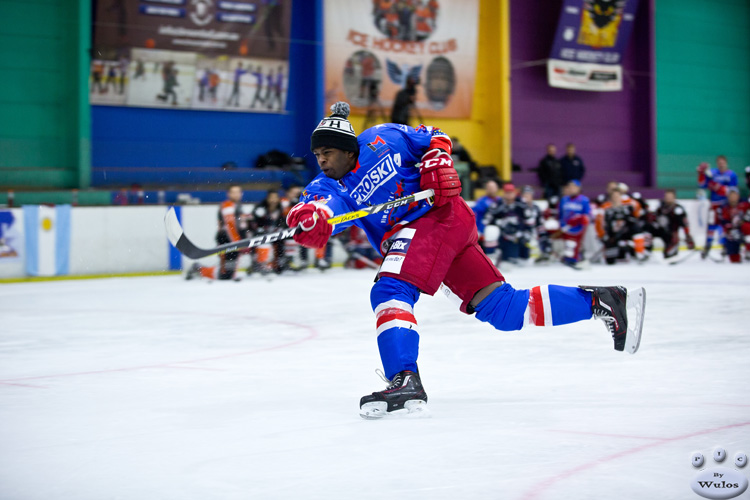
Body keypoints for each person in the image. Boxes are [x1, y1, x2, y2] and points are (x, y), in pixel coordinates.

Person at [285, 102, 646, 418]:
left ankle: (404, 379)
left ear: (349, 149)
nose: (321, 161)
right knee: (505, 311)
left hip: (438, 217)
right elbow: (317, 206)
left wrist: (437, 157)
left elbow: (434, 136)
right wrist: (310, 218)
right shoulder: (328, 185)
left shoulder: (384, 137)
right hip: (435, 233)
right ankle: (603, 300)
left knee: (391, 289)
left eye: (327, 154)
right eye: (317, 156)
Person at [185, 185, 249, 281]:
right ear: (229, 194)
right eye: (233, 192)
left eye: (238, 192)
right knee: (225, 274)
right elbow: (230, 225)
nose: (236, 194)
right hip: (226, 240)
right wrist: (238, 243)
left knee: (230, 271)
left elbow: (240, 223)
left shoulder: (238, 206)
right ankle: (198, 269)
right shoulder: (227, 205)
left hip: (234, 240)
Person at [697, 156, 738, 259]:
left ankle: (725, 245)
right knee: (711, 225)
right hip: (714, 204)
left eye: (723, 162)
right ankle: (708, 245)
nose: (721, 164)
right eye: (719, 162)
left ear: (726, 163)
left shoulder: (731, 174)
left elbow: (733, 190)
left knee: (725, 225)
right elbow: (702, 185)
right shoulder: (713, 173)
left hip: (725, 204)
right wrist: (701, 174)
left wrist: (718, 187)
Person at [482, 183, 526, 266]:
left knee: (513, 261)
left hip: (517, 235)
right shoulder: (497, 204)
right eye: (507, 192)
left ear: (514, 193)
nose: (509, 195)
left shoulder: (521, 205)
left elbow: (528, 220)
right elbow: (486, 219)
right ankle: (492, 257)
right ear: (503, 193)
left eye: (511, 192)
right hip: (501, 235)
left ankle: (521, 255)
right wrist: (500, 222)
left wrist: (523, 232)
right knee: (491, 230)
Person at [645, 189, 695, 259]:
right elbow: (654, 218)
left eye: (670, 197)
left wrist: (687, 236)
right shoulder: (661, 207)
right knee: (648, 228)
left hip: (671, 234)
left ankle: (672, 248)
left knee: (669, 255)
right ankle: (647, 250)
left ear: (674, 197)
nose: (668, 198)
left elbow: (684, 224)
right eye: (667, 196)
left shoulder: (678, 209)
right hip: (661, 230)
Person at [597, 187, 641, 265]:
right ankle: (620, 248)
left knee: (636, 228)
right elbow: (599, 224)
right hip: (612, 236)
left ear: (621, 197)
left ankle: (639, 252)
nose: (615, 198)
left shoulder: (627, 208)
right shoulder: (605, 209)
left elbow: (634, 221)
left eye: (617, 196)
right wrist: (603, 236)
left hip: (624, 234)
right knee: (610, 261)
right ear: (610, 198)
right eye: (614, 196)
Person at [558, 180, 591, 268]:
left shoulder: (584, 200)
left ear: (579, 188)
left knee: (574, 246)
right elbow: (560, 214)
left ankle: (577, 258)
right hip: (565, 227)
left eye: (574, 187)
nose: (571, 189)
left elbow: (587, 215)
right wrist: (561, 225)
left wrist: (579, 219)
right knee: (567, 247)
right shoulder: (564, 199)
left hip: (578, 228)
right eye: (570, 187)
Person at [716, 187, 750, 263]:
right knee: (734, 259)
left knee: (747, 227)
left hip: (744, 230)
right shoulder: (724, 207)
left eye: (734, 195)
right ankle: (733, 253)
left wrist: (743, 222)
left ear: (738, 195)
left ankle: (748, 250)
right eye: (731, 195)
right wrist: (731, 230)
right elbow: (723, 222)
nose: (733, 197)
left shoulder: (745, 204)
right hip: (732, 232)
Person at [519, 185, 551, 262]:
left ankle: (544, 255)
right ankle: (524, 256)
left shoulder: (536, 207)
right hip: (523, 231)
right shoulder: (519, 207)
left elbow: (539, 222)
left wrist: (541, 232)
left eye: (529, 194)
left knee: (544, 237)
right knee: (525, 240)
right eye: (525, 194)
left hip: (534, 231)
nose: (527, 196)